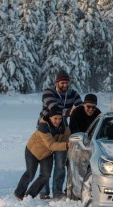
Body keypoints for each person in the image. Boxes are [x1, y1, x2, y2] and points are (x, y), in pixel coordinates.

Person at [38, 70, 81, 199]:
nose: (64, 85)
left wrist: (77, 110)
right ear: (57, 82)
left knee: (60, 163)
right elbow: (53, 108)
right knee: (45, 163)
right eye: (62, 82)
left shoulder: (73, 93)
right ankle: (44, 192)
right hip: (46, 130)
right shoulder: (48, 92)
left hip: (62, 131)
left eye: (66, 82)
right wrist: (69, 112)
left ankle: (57, 191)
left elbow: (80, 107)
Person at [14, 105, 70, 201]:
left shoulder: (64, 127)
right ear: (50, 117)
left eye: (60, 118)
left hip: (46, 154)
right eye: (55, 118)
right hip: (32, 152)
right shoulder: (43, 126)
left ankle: (29, 196)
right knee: (30, 174)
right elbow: (51, 145)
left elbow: (65, 139)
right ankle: (19, 193)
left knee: (46, 175)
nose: (57, 121)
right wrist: (67, 145)